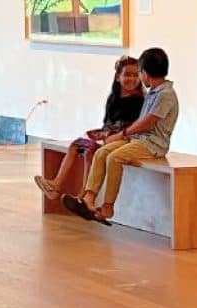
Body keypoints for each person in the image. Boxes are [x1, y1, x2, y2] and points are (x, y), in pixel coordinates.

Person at [65, 47, 179, 223]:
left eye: (139, 73)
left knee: (115, 158)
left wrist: (121, 135)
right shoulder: (154, 92)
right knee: (102, 152)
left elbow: (147, 122)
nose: (138, 78)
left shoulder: (165, 95)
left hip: (153, 145)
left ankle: (108, 207)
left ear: (145, 73)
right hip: (139, 139)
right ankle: (88, 199)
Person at [33, 55, 143, 200]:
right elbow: (108, 122)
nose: (132, 79)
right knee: (76, 144)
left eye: (136, 75)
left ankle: (83, 194)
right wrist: (102, 133)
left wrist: (108, 135)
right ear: (118, 77)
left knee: (90, 152)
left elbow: (132, 127)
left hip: (122, 139)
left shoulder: (139, 100)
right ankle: (57, 184)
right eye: (127, 74)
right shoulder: (114, 97)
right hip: (108, 135)